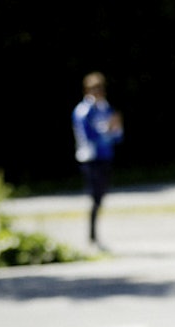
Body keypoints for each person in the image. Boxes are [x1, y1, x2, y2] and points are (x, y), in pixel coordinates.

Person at [71, 72, 123, 250]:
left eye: (100, 88)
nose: (98, 92)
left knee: (101, 196)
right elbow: (88, 137)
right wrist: (107, 131)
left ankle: (94, 234)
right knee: (95, 197)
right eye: (94, 89)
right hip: (90, 158)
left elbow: (117, 136)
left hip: (106, 156)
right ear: (87, 90)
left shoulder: (106, 108)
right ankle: (92, 236)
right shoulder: (83, 111)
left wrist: (115, 129)